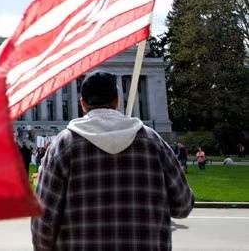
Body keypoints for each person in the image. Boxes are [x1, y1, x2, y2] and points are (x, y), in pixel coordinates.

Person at [31, 71, 194, 250]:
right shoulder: (153, 141)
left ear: (82, 104)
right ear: (117, 101)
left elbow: (43, 221)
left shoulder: (63, 145)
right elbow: (183, 205)